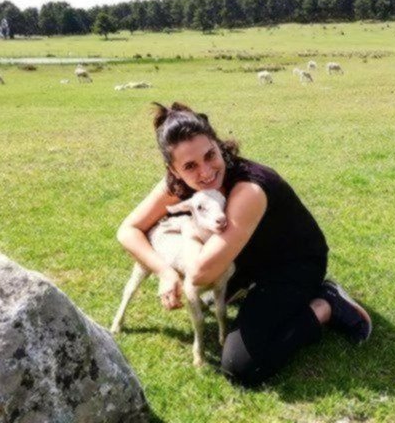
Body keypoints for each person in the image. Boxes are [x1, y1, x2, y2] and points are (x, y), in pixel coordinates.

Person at [116, 102, 372, 386]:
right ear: (174, 171)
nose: (205, 173)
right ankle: (244, 288)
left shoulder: (249, 189)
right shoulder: (180, 185)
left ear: (217, 144)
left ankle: (327, 304)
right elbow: (128, 230)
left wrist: (186, 235)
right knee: (215, 297)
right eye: (190, 166)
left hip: (291, 265)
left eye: (210, 155)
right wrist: (164, 271)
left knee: (242, 366)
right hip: (245, 261)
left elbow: (201, 273)